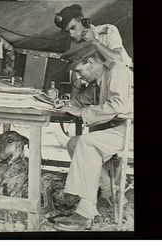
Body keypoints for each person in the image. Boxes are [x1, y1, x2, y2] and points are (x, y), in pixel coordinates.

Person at [53, 42, 133, 231]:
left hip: (131, 128)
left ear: (90, 61)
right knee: (74, 143)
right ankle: (108, 189)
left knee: (87, 143)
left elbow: (119, 105)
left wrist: (83, 112)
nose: (80, 77)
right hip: (121, 128)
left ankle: (85, 213)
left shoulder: (117, 70)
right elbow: (81, 100)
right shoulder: (100, 80)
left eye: (80, 72)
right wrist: (64, 104)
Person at [54, 4, 133, 98]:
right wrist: (73, 100)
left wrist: (94, 41)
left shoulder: (107, 31)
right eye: (68, 31)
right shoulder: (76, 42)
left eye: (73, 28)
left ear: (83, 22)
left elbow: (117, 60)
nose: (71, 34)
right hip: (100, 87)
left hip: (124, 84)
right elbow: (77, 71)